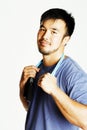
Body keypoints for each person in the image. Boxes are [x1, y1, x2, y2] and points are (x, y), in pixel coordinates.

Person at [19, 8, 87, 130]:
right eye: (42, 29)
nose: (45, 36)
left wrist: (55, 91)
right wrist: (22, 88)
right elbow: (32, 109)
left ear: (66, 39)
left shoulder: (73, 73)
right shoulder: (37, 69)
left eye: (54, 32)